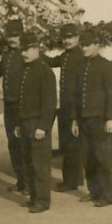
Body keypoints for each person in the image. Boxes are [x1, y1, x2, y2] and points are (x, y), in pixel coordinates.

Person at [71, 30, 112, 207]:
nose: (84, 48)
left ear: (97, 45)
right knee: (88, 158)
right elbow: (76, 96)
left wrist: (111, 118)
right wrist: (75, 120)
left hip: (100, 120)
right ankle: (94, 191)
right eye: (82, 44)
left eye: (87, 44)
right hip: (84, 120)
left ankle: (106, 195)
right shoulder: (80, 67)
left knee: (103, 158)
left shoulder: (106, 66)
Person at [14, 33, 57, 213]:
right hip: (25, 122)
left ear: (37, 49)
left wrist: (43, 126)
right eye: (22, 50)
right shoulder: (24, 69)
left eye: (27, 49)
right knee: (28, 162)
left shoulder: (45, 71)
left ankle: (42, 201)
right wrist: (18, 123)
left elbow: (49, 102)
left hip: (37, 123)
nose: (24, 53)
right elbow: (21, 100)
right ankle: (33, 198)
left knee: (40, 164)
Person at [0, 19, 27, 194]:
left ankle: (29, 184)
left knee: (25, 144)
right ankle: (21, 181)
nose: (12, 39)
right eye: (9, 36)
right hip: (9, 106)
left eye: (15, 35)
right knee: (13, 144)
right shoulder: (6, 56)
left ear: (21, 35)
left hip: (23, 105)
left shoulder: (26, 54)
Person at [47, 23, 85, 192]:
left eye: (71, 37)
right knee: (68, 144)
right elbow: (52, 61)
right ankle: (75, 179)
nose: (68, 41)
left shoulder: (80, 57)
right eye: (65, 38)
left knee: (71, 145)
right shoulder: (66, 56)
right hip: (65, 107)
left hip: (74, 107)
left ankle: (71, 181)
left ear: (77, 37)